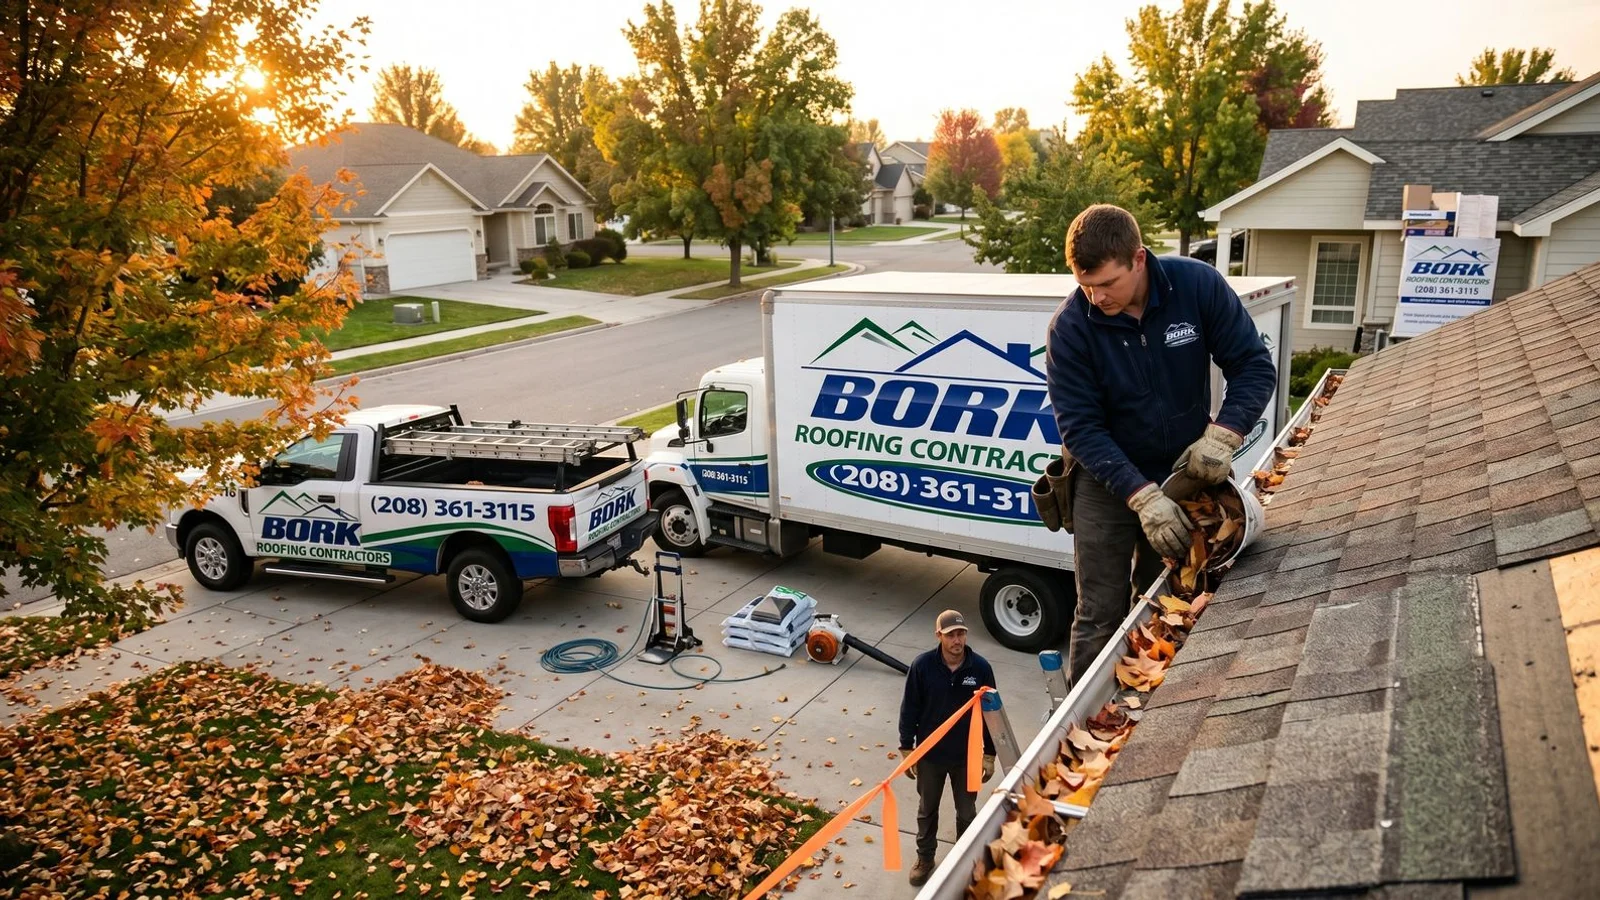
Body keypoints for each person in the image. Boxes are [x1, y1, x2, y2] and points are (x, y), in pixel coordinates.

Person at [1044, 204, 1274, 686]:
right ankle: (1085, 716)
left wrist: (1225, 434)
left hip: (1183, 471)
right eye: (1085, 285)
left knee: (1167, 593)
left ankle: (1153, 697)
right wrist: (1142, 497)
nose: (1096, 297)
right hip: (1106, 481)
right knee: (1099, 611)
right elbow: (1081, 428)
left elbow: (1253, 366)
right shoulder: (1071, 327)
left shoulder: (1196, 287)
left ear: (1139, 259)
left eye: (1107, 283)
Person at [897, 609, 998, 886]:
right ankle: (925, 858)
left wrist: (989, 754)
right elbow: (910, 708)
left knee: (967, 812)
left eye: (961, 633)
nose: (957, 640)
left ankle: (964, 861)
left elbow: (991, 713)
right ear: (938, 635)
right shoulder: (923, 666)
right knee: (927, 809)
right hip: (930, 755)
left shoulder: (980, 668)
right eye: (951, 635)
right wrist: (907, 747)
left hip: (966, 756)